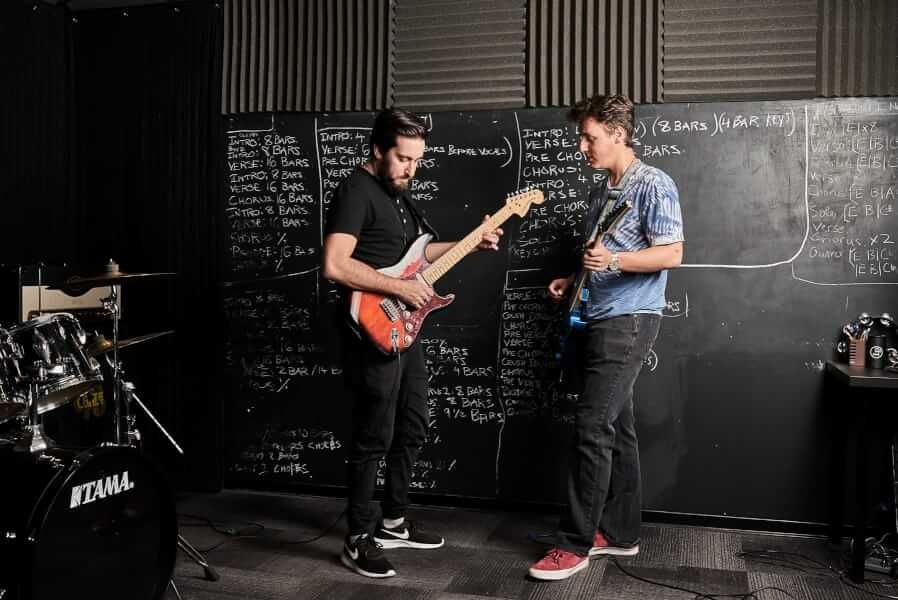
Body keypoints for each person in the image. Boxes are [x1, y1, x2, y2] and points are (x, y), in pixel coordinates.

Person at [322, 107, 503, 579]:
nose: (410, 169)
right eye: (403, 159)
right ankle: (358, 537)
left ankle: (394, 522)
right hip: (372, 327)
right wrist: (401, 290)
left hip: (405, 327)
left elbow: (416, 258)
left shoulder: (398, 192)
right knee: (373, 436)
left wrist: (470, 241)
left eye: (417, 160)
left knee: (414, 423)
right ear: (377, 151)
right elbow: (336, 265)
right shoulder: (354, 191)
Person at [528, 94, 684, 581]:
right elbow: (598, 258)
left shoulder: (654, 184)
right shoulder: (602, 191)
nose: (581, 146)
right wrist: (572, 282)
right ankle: (619, 534)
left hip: (631, 320)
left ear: (617, 134)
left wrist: (613, 263)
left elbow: (672, 253)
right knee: (617, 427)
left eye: (589, 136)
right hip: (596, 315)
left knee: (592, 426)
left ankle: (574, 544)